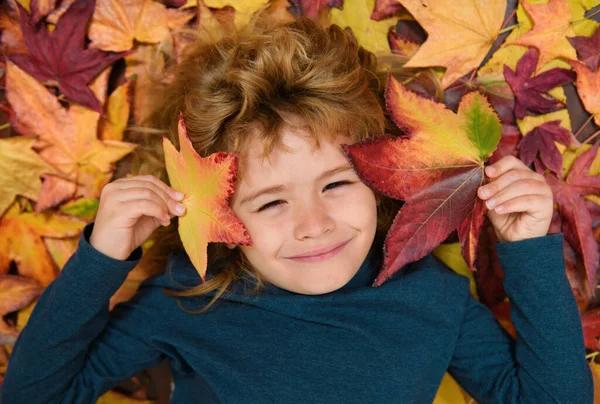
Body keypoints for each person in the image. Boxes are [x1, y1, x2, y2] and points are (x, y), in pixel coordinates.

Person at [1, 16, 593, 404]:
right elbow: (35, 395)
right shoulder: (190, 297)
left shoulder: (429, 297)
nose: (314, 225)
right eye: (271, 201)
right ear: (222, 216)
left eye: (336, 185)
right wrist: (102, 259)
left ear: (380, 183)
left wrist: (527, 252)